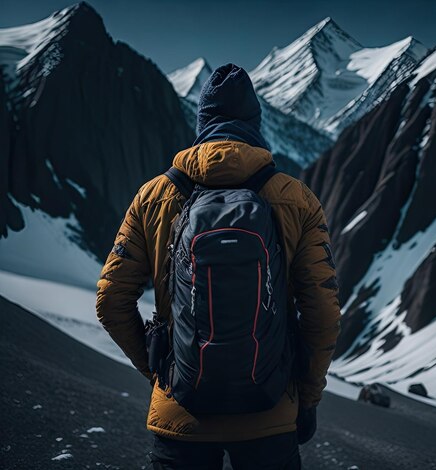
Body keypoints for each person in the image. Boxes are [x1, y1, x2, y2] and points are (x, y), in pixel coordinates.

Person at [96, 63, 341, 469]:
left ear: (202, 123)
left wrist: (165, 373)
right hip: (271, 411)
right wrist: (307, 397)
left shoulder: (153, 197)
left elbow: (110, 301)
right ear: (256, 124)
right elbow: (323, 312)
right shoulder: (296, 198)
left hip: (182, 415)